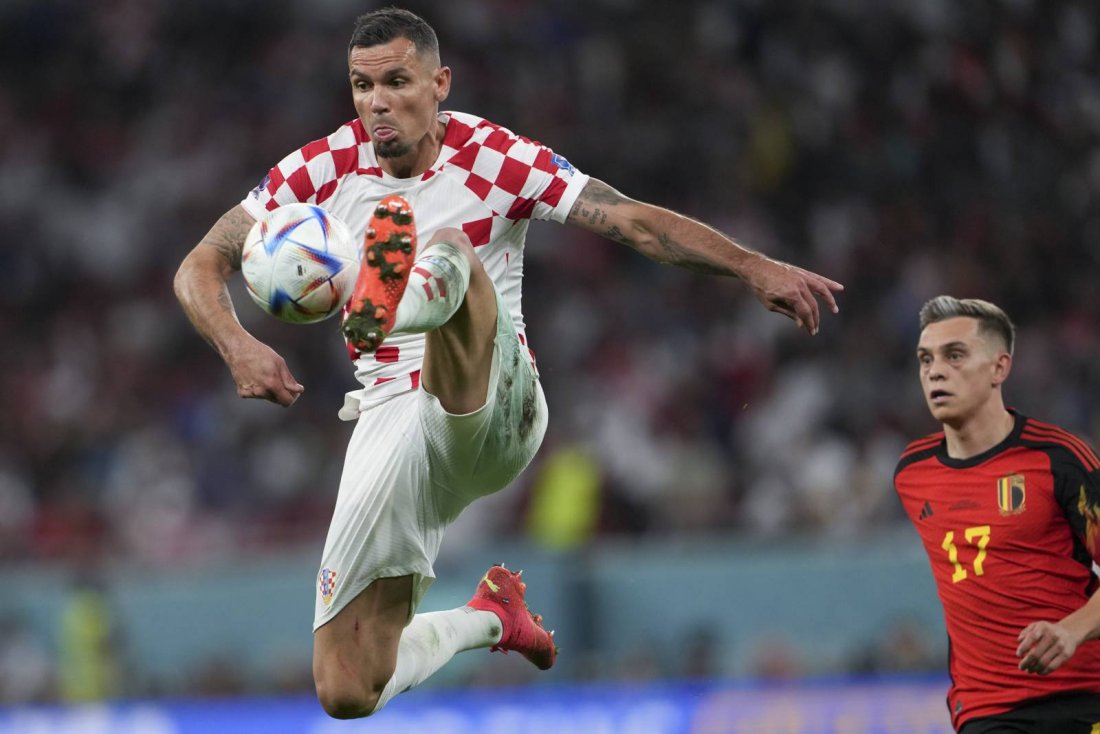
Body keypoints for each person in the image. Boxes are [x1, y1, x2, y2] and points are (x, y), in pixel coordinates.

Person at [174, 7, 843, 720]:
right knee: (346, 687)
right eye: (362, 86)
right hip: (392, 421)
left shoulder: (494, 156)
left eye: (396, 82)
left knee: (453, 251)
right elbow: (198, 264)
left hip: (495, 401)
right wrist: (238, 344)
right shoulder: (320, 168)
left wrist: (751, 265)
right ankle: (491, 618)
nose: (377, 103)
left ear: (439, 84)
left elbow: (630, 220)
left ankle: (396, 305)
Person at [895, 295, 1100, 733]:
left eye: (954, 355)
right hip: (986, 711)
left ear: (999, 368)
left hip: (1084, 697)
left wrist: (1072, 630)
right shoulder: (912, 473)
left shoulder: (1058, 458)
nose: (935, 371)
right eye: (925, 359)